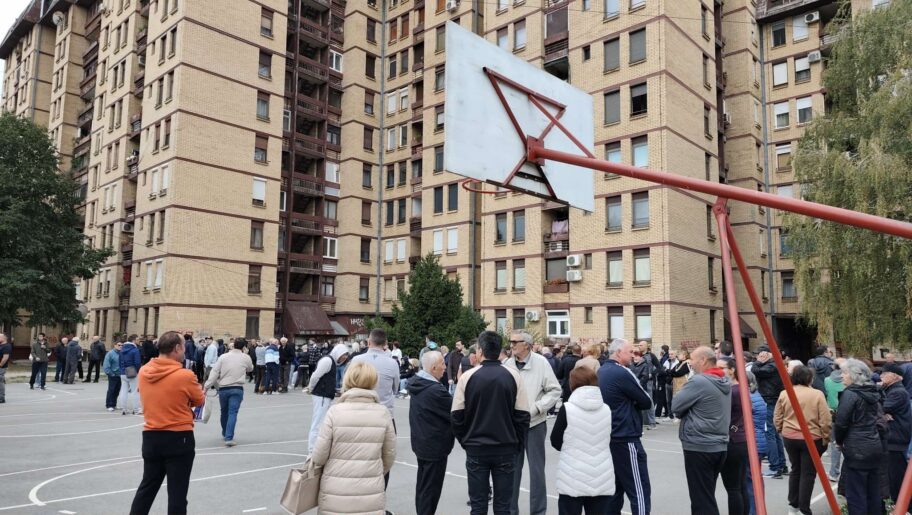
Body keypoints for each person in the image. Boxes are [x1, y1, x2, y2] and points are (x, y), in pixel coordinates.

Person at [452, 330, 530, 515]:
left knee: (478, 505)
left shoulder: (467, 377)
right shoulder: (513, 376)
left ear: (480, 351)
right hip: (506, 447)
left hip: (477, 447)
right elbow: (523, 416)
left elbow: (456, 416)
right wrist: (517, 442)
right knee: (503, 507)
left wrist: (466, 440)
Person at [129, 331, 204, 515]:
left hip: (151, 435)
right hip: (179, 436)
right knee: (177, 493)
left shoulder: (144, 370)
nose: (185, 352)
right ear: (177, 348)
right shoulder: (184, 375)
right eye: (184, 347)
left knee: (147, 487)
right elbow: (199, 400)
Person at [312, 361, 397, 514]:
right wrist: (373, 470)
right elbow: (389, 455)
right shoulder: (383, 412)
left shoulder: (334, 411)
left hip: (335, 486)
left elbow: (319, 456)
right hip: (370, 487)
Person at [504, 330, 561, 515]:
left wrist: (537, 408)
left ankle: (538, 512)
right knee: (512, 471)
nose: (511, 345)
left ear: (526, 345)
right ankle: (511, 511)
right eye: (510, 342)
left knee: (537, 472)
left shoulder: (541, 363)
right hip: (512, 426)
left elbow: (554, 390)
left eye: (515, 342)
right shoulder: (507, 364)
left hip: (535, 424)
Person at [671, 346, 731, 515]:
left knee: (701, 499)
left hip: (699, 445)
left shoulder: (699, 381)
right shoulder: (723, 380)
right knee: (706, 495)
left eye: (693, 359)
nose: (690, 363)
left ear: (703, 360)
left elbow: (676, 405)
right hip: (718, 445)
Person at [597, 338, 653, 515]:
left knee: (614, 490)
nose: (633, 356)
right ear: (619, 352)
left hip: (609, 436)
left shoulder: (601, 371)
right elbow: (646, 401)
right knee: (639, 490)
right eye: (630, 352)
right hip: (625, 436)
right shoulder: (622, 372)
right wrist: (632, 403)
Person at [550, 366, 615, 515]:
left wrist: (570, 448)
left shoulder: (567, 409)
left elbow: (555, 440)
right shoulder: (606, 409)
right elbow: (608, 437)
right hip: (601, 473)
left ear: (573, 383)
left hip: (572, 474)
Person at [773, 364, 831, 515]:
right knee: (808, 473)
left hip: (790, 436)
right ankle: (804, 508)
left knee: (795, 470)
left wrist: (781, 429)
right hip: (812, 437)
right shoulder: (817, 394)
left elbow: (777, 416)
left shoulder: (785, 393)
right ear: (809, 378)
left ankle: (793, 505)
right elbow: (825, 420)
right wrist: (826, 437)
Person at [834, 359, 886, 515]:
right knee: (873, 491)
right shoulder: (872, 391)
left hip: (857, 447)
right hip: (873, 444)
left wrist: (839, 441)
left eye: (844, 373)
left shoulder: (850, 394)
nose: (841, 376)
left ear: (853, 375)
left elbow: (841, 422)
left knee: (856, 494)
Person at [408, 350, 455, 515]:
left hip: (421, 443)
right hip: (434, 446)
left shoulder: (418, 383)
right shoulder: (436, 391)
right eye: (442, 363)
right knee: (430, 490)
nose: (445, 367)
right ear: (434, 368)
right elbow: (457, 412)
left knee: (423, 486)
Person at [205, 336, 254, 447]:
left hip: (224, 388)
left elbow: (215, 372)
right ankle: (229, 437)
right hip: (237, 387)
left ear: (233, 344)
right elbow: (250, 368)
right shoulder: (246, 357)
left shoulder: (223, 357)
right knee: (233, 413)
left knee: (224, 411)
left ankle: (225, 432)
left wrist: (206, 386)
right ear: (244, 347)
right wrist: (246, 354)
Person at [717, 358, 749, 515]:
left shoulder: (732, 391)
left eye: (722, 367)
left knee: (734, 487)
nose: (718, 370)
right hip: (740, 438)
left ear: (732, 370)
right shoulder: (740, 389)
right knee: (740, 485)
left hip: (733, 440)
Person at [307, 343, 350, 453]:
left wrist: (335, 391)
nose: (344, 358)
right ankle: (312, 449)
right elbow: (315, 376)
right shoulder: (327, 361)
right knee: (318, 422)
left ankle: (318, 447)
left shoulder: (332, 362)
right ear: (338, 352)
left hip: (325, 395)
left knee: (322, 422)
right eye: (344, 355)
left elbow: (325, 379)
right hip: (321, 396)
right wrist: (310, 388)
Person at [753, 346, 788, 478]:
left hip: (768, 400)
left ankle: (775, 467)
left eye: (760, 354)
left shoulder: (771, 366)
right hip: (772, 399)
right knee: (774, 434)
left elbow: (755, 370)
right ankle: (781, 465)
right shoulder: (775, 364)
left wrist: (758, 362)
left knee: (769, 434)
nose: (758, 357)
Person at [880, 363, 911, 514]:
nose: (881, 376)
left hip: (896, 439)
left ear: (895, 376)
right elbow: (881, 410)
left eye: (885, 373)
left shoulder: (897, 392)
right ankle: (899, 505)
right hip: (894, 438)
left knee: (898, 476)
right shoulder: (890, 389)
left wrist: (883, 414)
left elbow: (880, 408)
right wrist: (884, 415)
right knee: (893, 475)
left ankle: (905, 507)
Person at [745, 370, 767, 515]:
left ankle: (754, 511)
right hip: (758, 440)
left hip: (752, 442)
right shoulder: (756, 395)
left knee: (750, 482)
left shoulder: (748, 398)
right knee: (754, 479)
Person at [824, 358, 846, 482]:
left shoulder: (827, 380)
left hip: (833, 412)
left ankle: (834, 472)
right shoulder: (850, 380)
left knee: (835, 444)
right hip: (847, 412)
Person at [120, 335, 143, 415]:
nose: (139, 341)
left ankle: (124, 409)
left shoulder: (122, 349)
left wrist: (122, 370)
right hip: (132, 372)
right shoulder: (135, 350)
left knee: (123, 391)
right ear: (133, 340)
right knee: (135, 392)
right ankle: (136, 410)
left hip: (123, 372)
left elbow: (119, 361)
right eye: (137, 339)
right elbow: (137, 362)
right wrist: (137, 371)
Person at [103, 342, 122, 411]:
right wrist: (110, 373)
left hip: (120, 375)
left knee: (117, 390)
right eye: (119, 345)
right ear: (115, 345)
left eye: (122, 345)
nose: (120, 346)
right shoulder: (110, 354)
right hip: (113, 374)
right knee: (111, 390)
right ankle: (109, 405)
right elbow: (106, 365)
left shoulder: (121, 353)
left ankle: (114, 404)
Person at [0, 333, 10, 403]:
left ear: (4, 338)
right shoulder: (1, 345)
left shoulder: (7, 346)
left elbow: (5, 358)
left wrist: (0, 365)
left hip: (1, 367)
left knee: (0, 382)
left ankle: (1, 398)